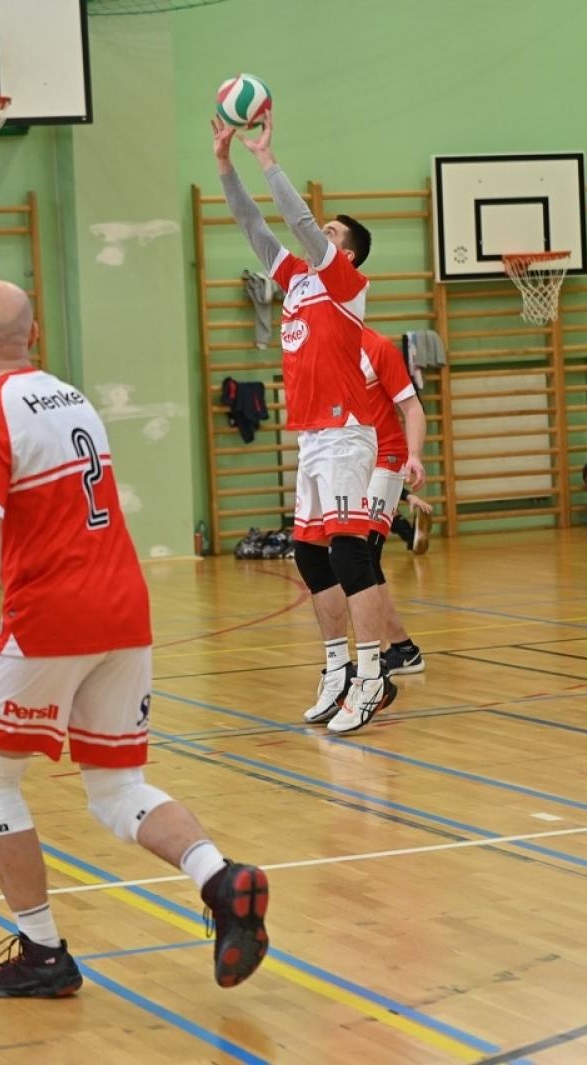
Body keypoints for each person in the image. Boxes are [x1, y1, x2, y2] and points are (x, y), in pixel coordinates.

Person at [0, 279, 269, 999]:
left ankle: (43, 951)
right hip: (125, 610)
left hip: (51, 617)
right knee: (116, 786)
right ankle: (219, 879)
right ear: (33, 335)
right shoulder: (73, 398)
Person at [214, 112, 396, 734]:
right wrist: (223, 163)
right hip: (313, 437)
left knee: (350, 554)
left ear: (343, 249)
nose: (319, 231)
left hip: (348, 433)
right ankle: (338, 669)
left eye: (331, 230)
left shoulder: (344, 281)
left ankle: (373, 676)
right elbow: (252, 223)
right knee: (311, 558)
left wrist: (267, 158)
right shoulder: (292, 279)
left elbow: (295, 220)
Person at [359, 327, 427, 674]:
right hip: (351, 462)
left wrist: (414, 455)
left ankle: (387, 652)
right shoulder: (322, 345)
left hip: (386, 457)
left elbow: (413, 409)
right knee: (345, 559)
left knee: (364, 555)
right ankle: (400, 648)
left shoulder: (377, 347)